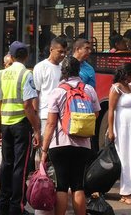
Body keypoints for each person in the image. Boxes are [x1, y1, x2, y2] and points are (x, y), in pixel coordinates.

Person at [40, 56, 100, 215]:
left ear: (63, 71)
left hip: (59, 145)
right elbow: (96, 113)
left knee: (61, 185)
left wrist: (44, 149)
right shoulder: (88, 89)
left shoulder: (57, 92)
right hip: (83, 145)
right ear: (78, 70)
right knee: (78, 185)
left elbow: (51, 124)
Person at [0, 41, 41, 215]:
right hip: (21, 125)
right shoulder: (27, 74)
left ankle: (3, 206)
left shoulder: (1, 74)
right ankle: (16, 207)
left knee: (6, 165)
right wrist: (36, 129)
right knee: (20, 168)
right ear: (26, 56)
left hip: (5, 125)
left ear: (11, 57)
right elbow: (28, 105)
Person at [107, 63, 131, 205]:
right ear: (127, 75)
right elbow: (111, 110)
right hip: (122, 128)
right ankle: (125, 192)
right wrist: (111, 130)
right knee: (126, 157)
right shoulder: (116, 88)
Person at [33, 37, 67, 132]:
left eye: (65, 52)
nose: (63, 55)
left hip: (62, 115)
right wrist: (36, 117)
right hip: (45, 115)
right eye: (60, 51)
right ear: (51, 50)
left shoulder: (63, 69)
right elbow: (36, 93)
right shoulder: (40, 67)